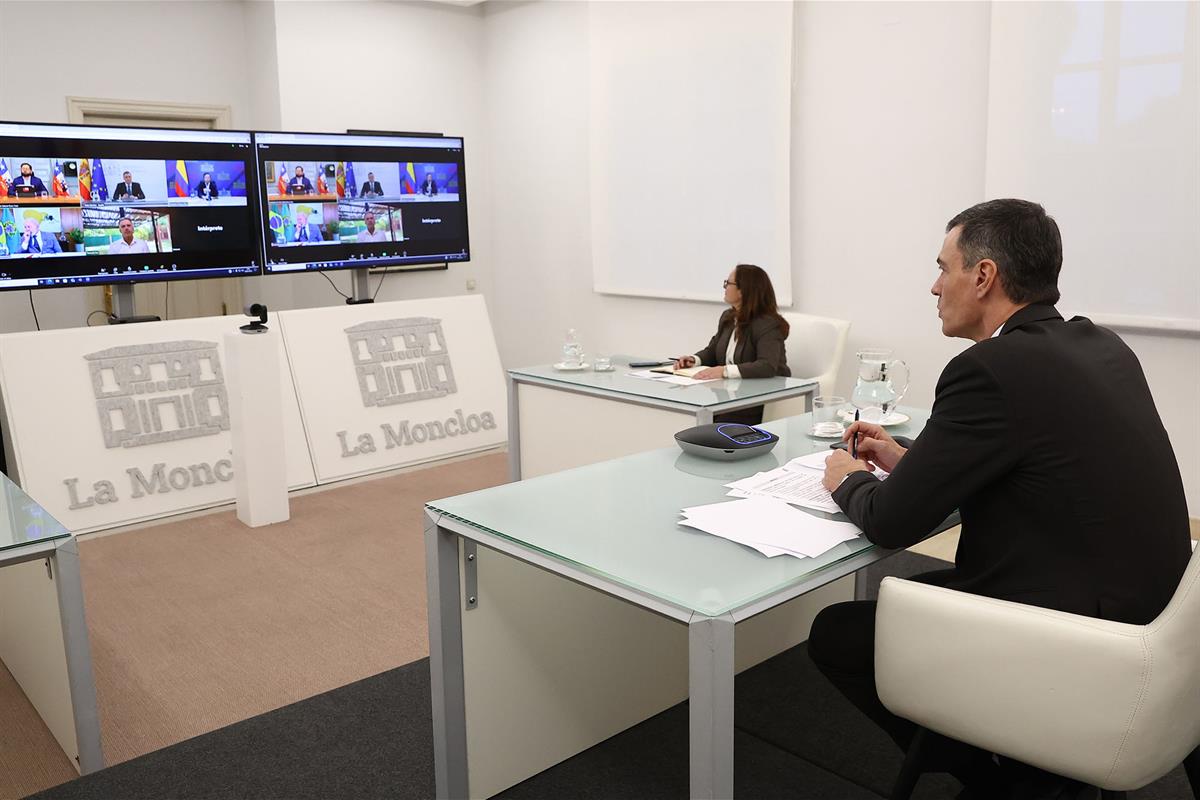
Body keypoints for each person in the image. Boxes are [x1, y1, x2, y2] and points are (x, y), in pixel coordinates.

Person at [812, 199, 1193, 799]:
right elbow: (1036, 469)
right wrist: (907, 461)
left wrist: (844, 478)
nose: (934, 287)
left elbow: (890, 522)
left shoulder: (988, 369)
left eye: (944, 268)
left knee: (836, 633)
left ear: (983, 276)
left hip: (1072, 644)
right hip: (1160, 625)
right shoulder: (1100, 347)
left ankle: (998, 776)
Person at [673, 263, 790, 425]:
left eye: (728, 283)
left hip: (757, 400)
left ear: (743, 290)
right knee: (694, 420)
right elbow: (713, 351)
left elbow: (767, 366)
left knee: (710, 429)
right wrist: (694, 360)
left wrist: (724, 371)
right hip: (729, 396)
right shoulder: (728, 317)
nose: (725, 287)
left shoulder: (767, 324)